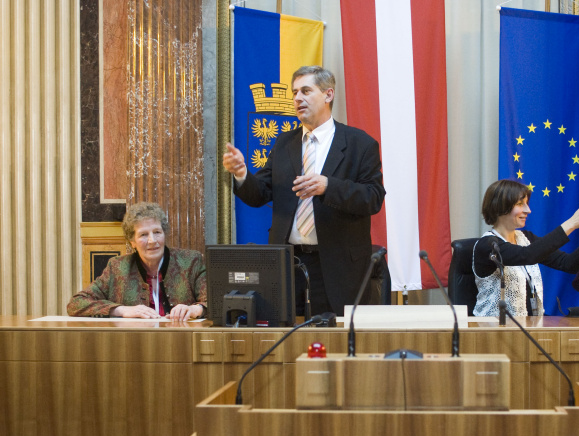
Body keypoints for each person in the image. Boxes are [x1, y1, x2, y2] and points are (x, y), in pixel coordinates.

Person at [222, 66, 385, 317]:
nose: (297, 98)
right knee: (288, 342)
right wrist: (242, 173)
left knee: (333, 344)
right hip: (288, 266)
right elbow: (260, 194)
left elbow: (373, 198)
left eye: (306, 91)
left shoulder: (359, 143)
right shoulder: (285, 142)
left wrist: (328, 186)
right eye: (295, 92)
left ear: (328, 95)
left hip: (338, 267)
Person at [472, 179, 579, 317]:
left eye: (527, 203)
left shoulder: (526, 238)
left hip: (530, 325)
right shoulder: (488, 245)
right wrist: (572, 223)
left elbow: (569, 264)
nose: (528, 210)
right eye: (520, 204)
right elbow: (528, 255)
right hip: (491, 329)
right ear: (499, 206)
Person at [67, 202, 207, 319]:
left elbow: (215, 303)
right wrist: (121, 310)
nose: (152, 241)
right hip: (133, 344)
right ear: (132, 241)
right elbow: (76, 304)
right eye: (143, 235)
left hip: (180, 341)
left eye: (157, 232)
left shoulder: (190, 262)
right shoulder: (117, 267)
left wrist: (195, 309)